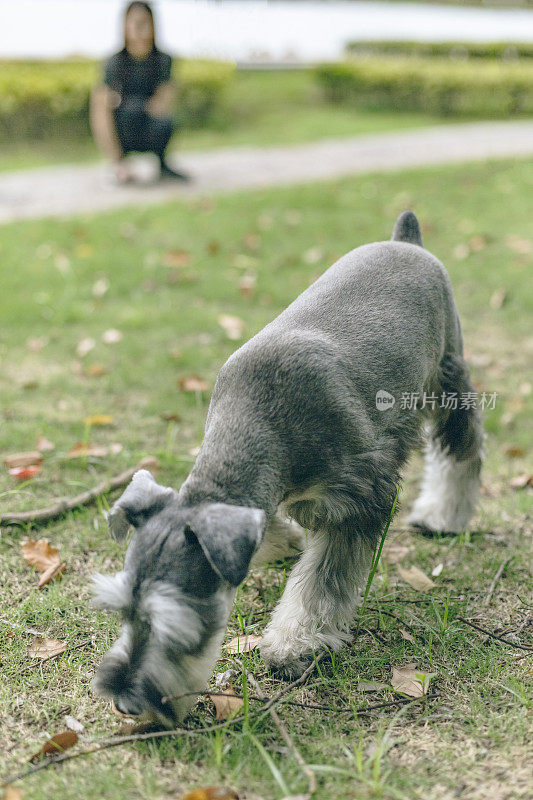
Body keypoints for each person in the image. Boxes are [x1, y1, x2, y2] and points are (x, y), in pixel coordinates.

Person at [90, 1, 189, 183]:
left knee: (161, 121)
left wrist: (144, 105)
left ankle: (162, 163)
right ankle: (121, 164)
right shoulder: (114, 63)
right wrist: (114, 157)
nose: (139, 28)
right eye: (134, 22)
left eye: (144, 22)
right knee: (129, 111)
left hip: (149, 125)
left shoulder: (162, 60)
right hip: (124, 127)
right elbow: (100, 110)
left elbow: (164, 102)